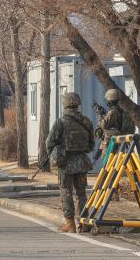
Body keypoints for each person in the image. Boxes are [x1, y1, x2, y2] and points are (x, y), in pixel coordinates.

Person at [46, 92, 94, 233]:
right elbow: (91, 145)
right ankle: (84, 223)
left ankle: (70, 223)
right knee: (82, 193)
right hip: (82, 163)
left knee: (66, 192)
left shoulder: (60, 122)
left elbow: (49, 142)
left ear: (65, 104)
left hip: (65, 163)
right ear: (77, 104)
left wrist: (54, 157)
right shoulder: (87, 121)